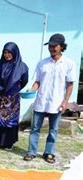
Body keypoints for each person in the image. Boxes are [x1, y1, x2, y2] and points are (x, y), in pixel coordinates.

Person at [24, 34, 76, 164]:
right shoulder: (42, 63)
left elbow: (70, 84)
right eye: (50, 46)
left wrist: (65, 101)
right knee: (35, 128)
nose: (51, 48)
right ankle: (31, 152)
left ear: (62, 47)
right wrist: (31, 90)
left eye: (55, 46)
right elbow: (37, 82)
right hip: (41, 101)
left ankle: (49, 153)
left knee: (53, 130)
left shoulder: (69, 63)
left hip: (57, 102)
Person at [0, 42, 28, 150]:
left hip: (11, 97)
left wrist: (14, 89)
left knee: (9, 118)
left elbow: (24, 81)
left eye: (9, 52)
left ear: (15, 52)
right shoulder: (0, 64)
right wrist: (0, 89)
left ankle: (8, 142)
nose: (6, 55)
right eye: (5, 52)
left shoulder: (22, 66)